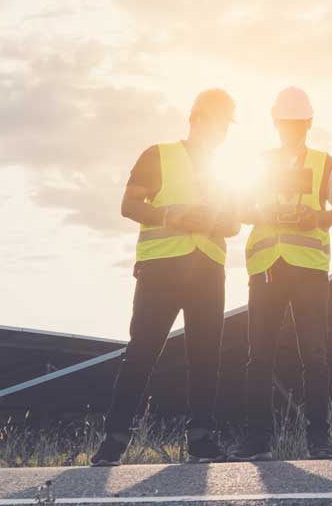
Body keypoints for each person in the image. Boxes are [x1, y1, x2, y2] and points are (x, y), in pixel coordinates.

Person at [91, 89, 240, 466]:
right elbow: (129, 204)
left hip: (207, 267)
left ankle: (202, 440)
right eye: (219, 120)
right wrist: (171, 215)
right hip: (161, 268)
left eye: (227, 124)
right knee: (141, 352)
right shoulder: (158, 155)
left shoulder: (227, 171)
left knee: (206, 357)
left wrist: (211, 220)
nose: (223, 130)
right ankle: (113, 441)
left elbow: (234, 223)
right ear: (197, 117)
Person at [229, 86, 332, 461]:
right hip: (267, 266)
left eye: (296, 123)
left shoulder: (326, 163)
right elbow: (240, 209)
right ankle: (258, 442)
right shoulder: (260, 163)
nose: (290, 129)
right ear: (275, 123)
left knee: (314, 355)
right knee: (259, 357)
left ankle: (319, 440)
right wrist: (262, 213)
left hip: (309, 269)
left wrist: (317, 217)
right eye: (285, 123)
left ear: (308, 123)